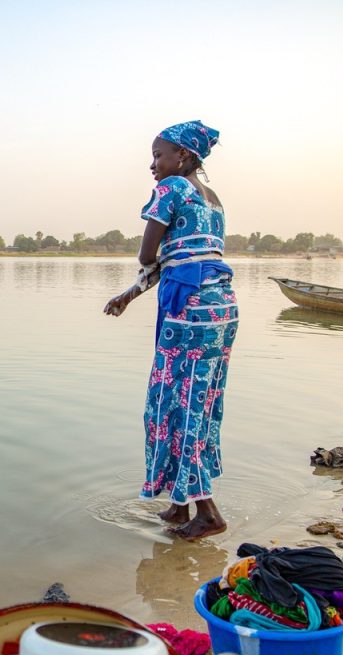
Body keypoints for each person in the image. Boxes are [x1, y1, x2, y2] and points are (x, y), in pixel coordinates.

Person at [104, 121, 239, 541]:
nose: (152, 165)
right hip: (221, 309)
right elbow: (186, 258)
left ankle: (208, 514)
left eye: (158, 155)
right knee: (198, 399)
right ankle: (180, 507)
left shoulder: (171, 190)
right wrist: (128, 296)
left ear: (182, 156)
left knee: (177, 405)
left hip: (189, 312)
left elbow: (149, 255)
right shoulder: (213, 201)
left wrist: (141, 269)